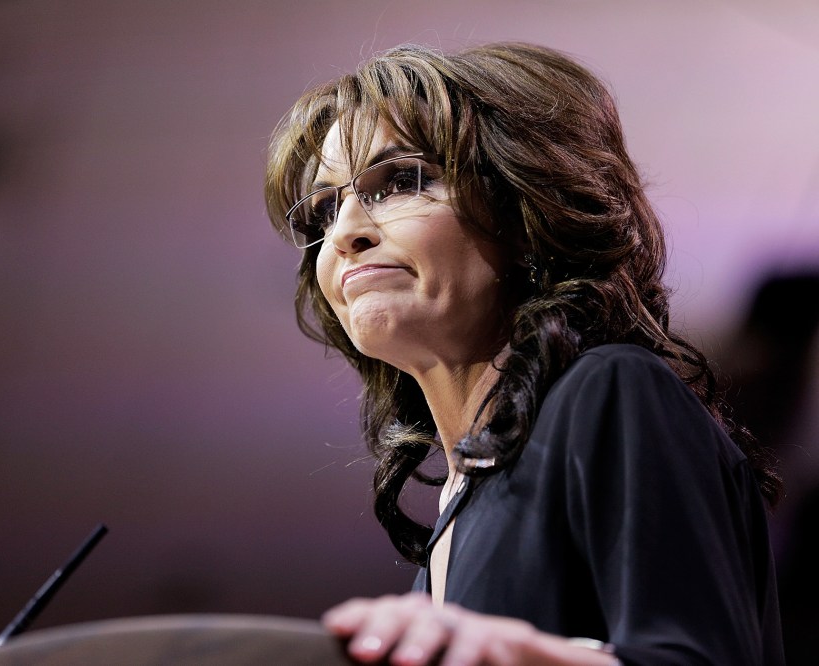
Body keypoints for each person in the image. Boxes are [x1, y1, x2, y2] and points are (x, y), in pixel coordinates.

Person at [264, 42, 784, 665]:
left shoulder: (611, 389)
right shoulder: (457, 507)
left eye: (401, 180)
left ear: (523, 214)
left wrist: (521, 656)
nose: (345, 231)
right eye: (325, 207)